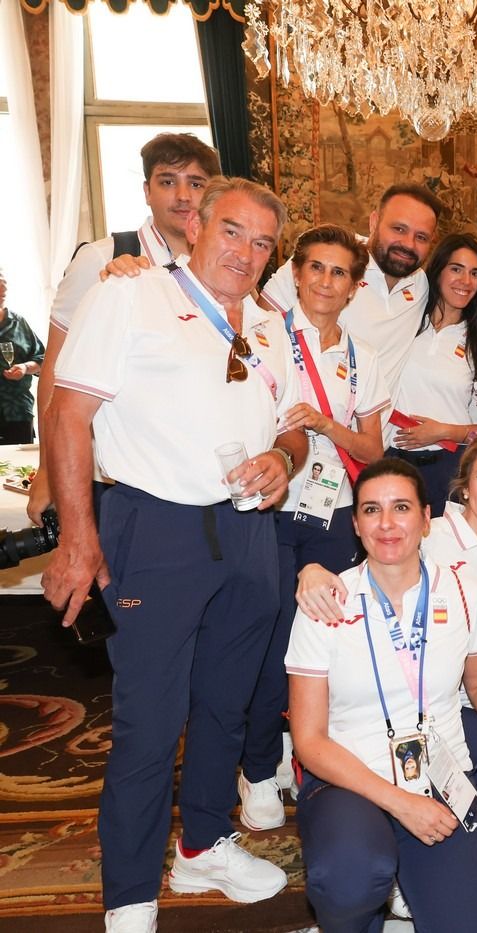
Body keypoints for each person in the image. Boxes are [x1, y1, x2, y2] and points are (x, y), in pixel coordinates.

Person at [44, 177, 306, 932]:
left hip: (249, 532)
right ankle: (129, 894)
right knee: (149, 721)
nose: (245, 252)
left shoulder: (270, 321)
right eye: (233, 231)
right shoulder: (131, 295)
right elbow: (70, 415)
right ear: (197, 224)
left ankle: (201, 845)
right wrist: (77, 536)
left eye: (262, 241)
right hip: (154, 529)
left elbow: (293, 427)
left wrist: (284, 460)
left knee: (226, 703)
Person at [286, 458, 477, 933]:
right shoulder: (325, 602)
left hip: (438, 778)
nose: (386, 523)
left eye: (401, 508)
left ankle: (410, 881)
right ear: (356, 523)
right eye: (371, 510)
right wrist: (401, 804)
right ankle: (356, 912)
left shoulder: (461, 590)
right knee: (350, 877)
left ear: (426, 519)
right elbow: (310, 741)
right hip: (349, 779)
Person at [238, 224, 390, 832]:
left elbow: (375, 452)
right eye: (317, 269)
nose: (327, 282)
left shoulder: (363, 358)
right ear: (296, 273)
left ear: (354, 288)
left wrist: (328, 424)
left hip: (333, 515)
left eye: (340, 273)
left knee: (326, 638)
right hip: (272, 510)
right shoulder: (260, 338)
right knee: (270, 640)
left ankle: (310, 754)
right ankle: (257, 762)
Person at [30, 132, 220, 521]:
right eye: (168, 182)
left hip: (190, 477)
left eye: (196, 183)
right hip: (108, 475)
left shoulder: (219, 271)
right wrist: (48, 470)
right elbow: (54, 369)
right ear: (147, 190)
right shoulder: (104, 257)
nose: (183, 196)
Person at [262, 183, 444, 391]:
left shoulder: (420, 285)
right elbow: (261, 323)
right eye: (399, 229)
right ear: (374, 222)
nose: (408, 244)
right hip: (305, 416)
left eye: (421, 237)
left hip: (372, 421)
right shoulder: (329, 258)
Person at [384, 234, 477, 514]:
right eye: (456, 269)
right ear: (438, 271)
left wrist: (442, 431)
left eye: (475, 273)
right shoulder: (404, 322)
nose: (465, 281)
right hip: (391, 461)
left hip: (448, 469)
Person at [0, 266, 45, 443]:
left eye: (4, 284)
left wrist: (25, 368)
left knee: (20, 466)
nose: (3, 290)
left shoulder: (18, 322)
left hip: (18, 411)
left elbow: (42, 359)